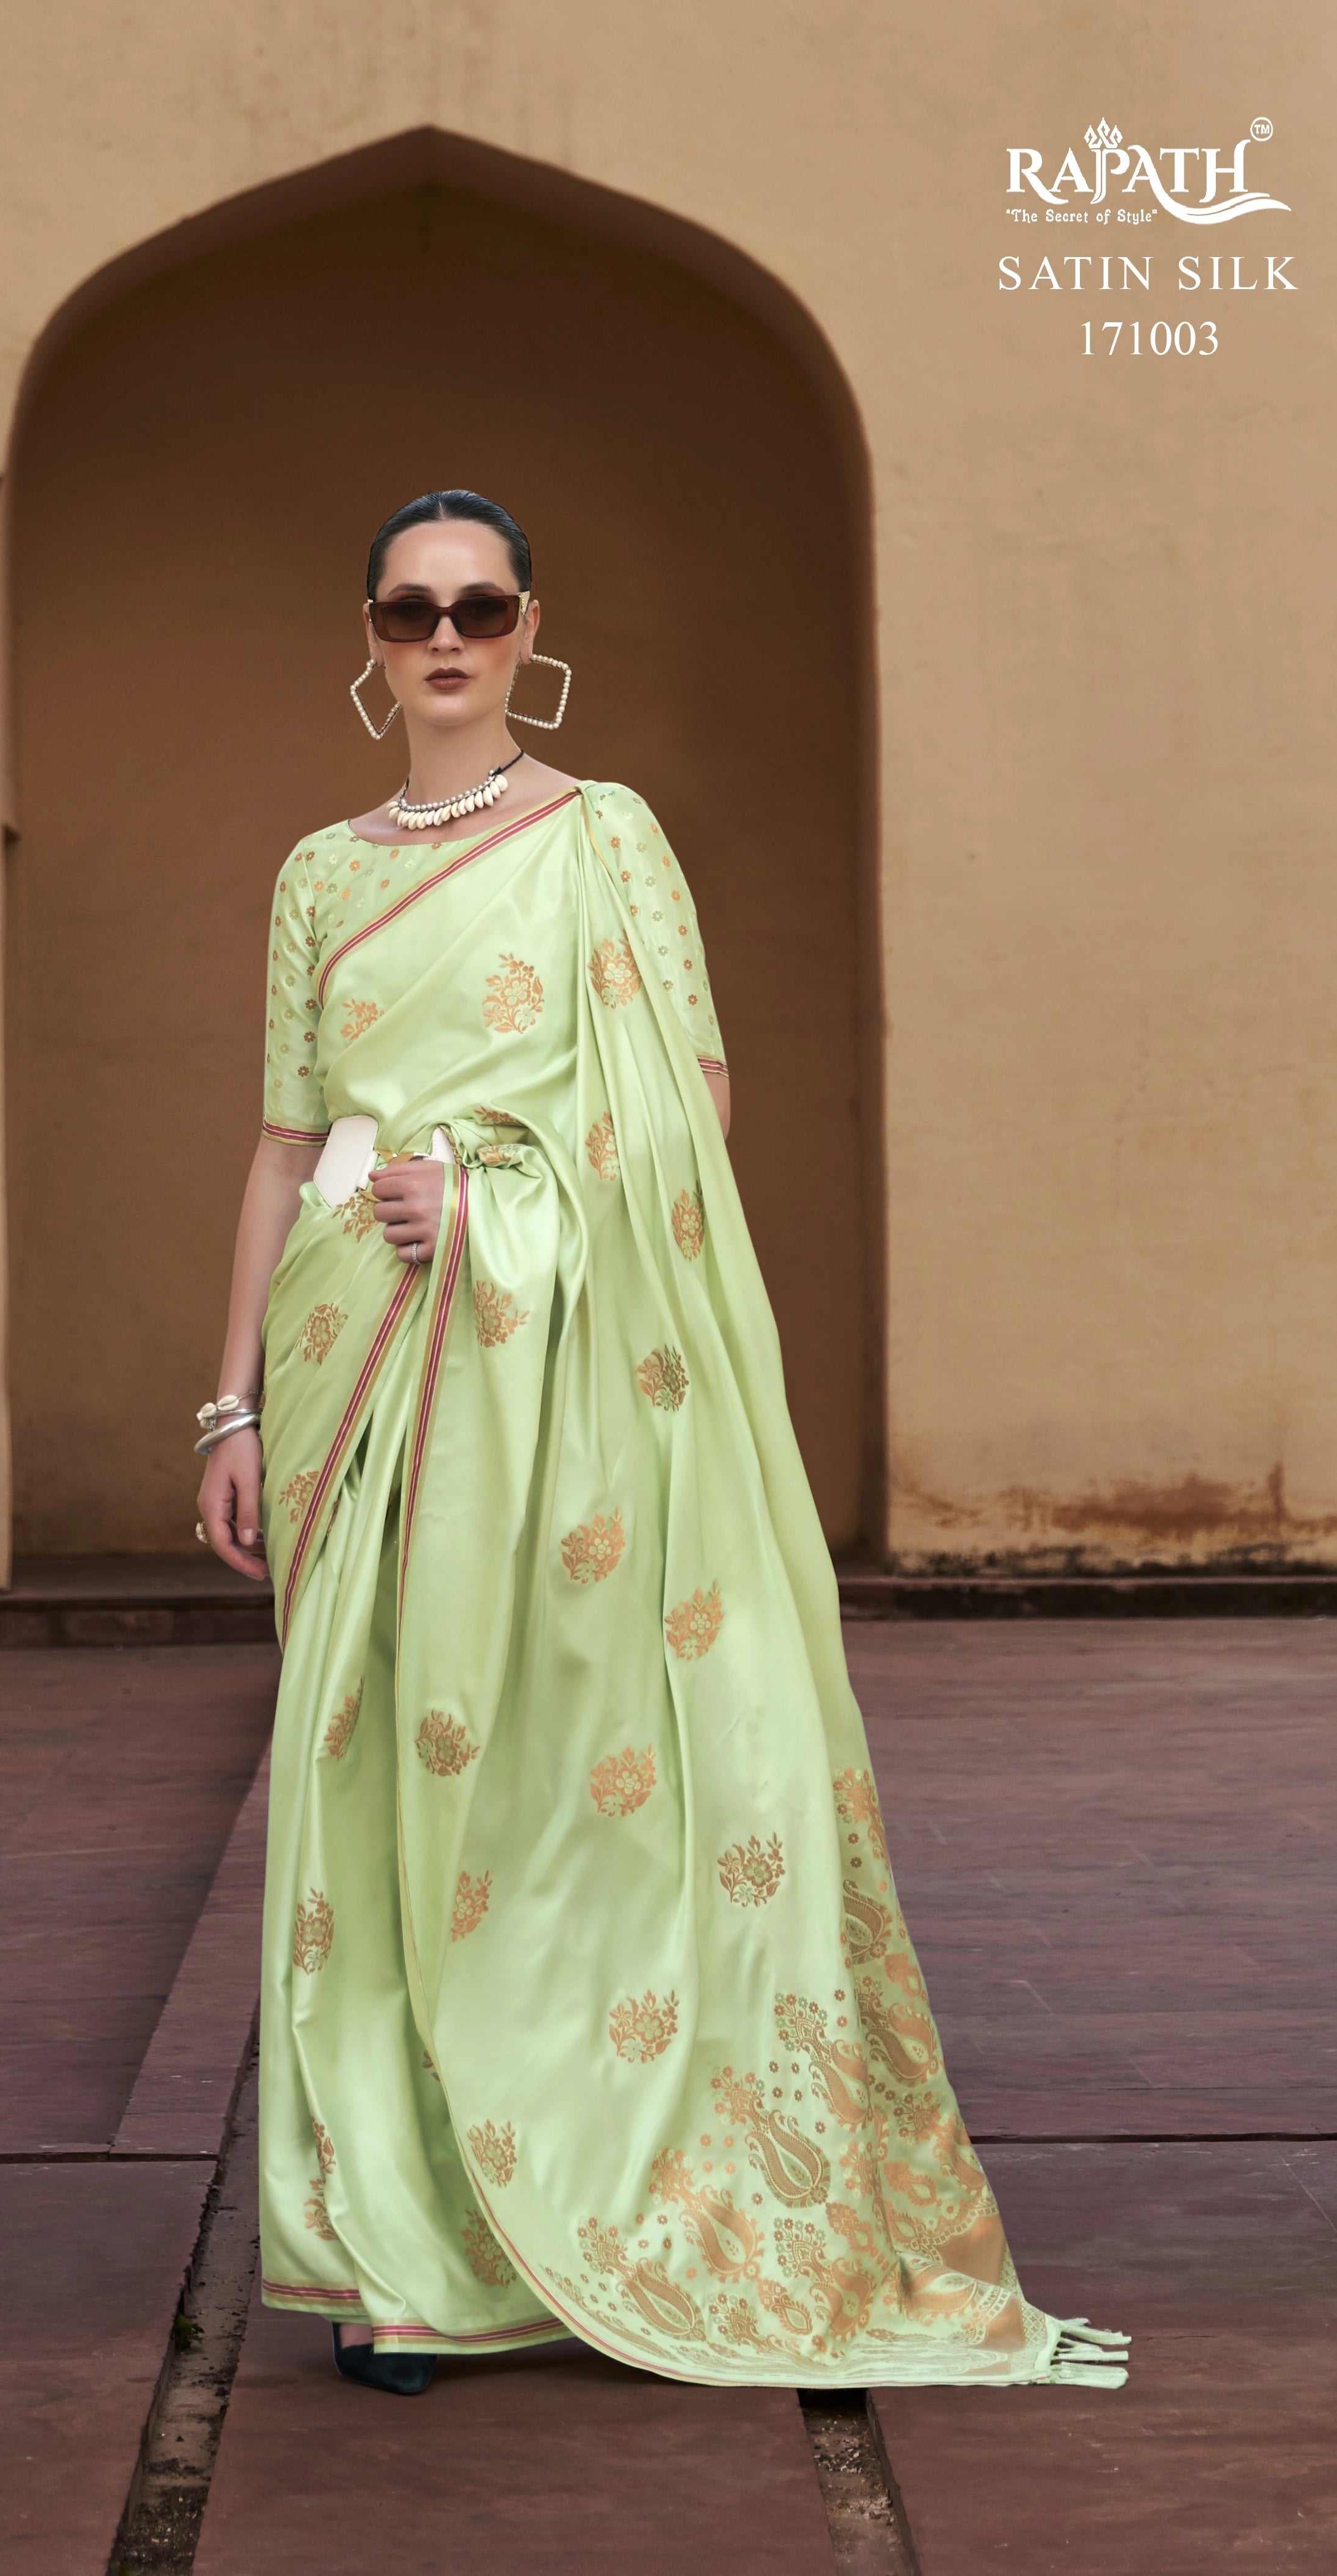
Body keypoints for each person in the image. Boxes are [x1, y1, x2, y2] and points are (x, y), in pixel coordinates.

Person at [196, 490, 1128, 2398]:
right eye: (405, 609)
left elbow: (688, 1095)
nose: (442, 636)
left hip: (548, 1352)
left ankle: (633, 2192)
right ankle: (412, 2248)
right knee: (372, 1792)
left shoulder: (602, 835)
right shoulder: (314, 871)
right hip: (349, 1354)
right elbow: (289, 1143)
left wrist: (503, 1207)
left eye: (476, 605)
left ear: (530, 627)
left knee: (556, 1772)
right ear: (366, 641)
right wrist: (226, 1399)